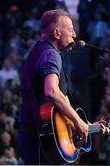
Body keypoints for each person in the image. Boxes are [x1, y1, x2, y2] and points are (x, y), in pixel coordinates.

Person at [16, 9, 88, 164]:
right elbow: (52, 91)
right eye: (70, 30)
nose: (74, 35)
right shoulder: (51, 54)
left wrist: (83, 125)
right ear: (56, 33)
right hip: (38, 140)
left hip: (31, 136)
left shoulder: (39, 50)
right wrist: (78, 121)